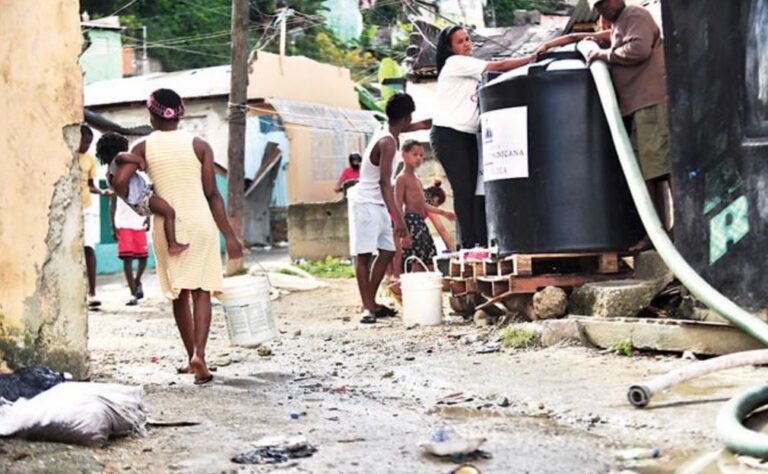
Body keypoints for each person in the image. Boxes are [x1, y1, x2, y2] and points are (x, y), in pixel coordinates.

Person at [131, 88, 243, 385]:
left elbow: (123, 180)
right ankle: (200, 355)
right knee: (202, 290)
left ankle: (190, 356)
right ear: (180, 114)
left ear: (152, 115)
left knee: (179, 293)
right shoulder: (200, 145)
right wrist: (229, 236)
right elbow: (212, 195)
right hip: (201, 223)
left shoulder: (141, 146)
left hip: (167, 225)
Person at [540, 0, 672, 251]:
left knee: (660, 170)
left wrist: (603, 55)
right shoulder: (619, 24)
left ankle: (673, 233)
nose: (602, 11)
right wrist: (550, 45)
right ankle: (657, 233)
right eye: (598, 8)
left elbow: (640, 49)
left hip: (650, 102)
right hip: (638, 107)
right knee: (646, 174)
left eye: (604, 5)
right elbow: (584, 37)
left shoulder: (635, 14)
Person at [431, 26, 535, 250]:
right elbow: (496, 66)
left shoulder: (468, 67)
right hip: (449, 134)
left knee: (470, 192)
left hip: (467, 134)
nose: (467, 44)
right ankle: (468, 245)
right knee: (464, 191)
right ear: (450, 48)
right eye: (460, 41)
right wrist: (532, 58)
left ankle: (473, 242)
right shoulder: (455, 63)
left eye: (467, 39)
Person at [349, 93, 431, 324]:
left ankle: (372, 301)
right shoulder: (387, 142)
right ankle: (367, 308)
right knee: (364, 256)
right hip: (366, 202)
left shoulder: (392, 129)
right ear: (406, 117)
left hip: (378, 202)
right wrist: (399, 219)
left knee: (387, 252)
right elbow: (385, 184)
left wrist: (434, 122)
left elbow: (417, 125)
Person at [96, 132, 189, 257]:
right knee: (169, 212)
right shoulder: (117, 161)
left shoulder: (110, 172)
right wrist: (139, 160)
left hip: (140, 202)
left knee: (166, 206)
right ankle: (173, 245)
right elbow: (122, 156)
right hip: (143, 199)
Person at [395, 140, 455, 273]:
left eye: (421, 155)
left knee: (428, 259)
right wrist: (403, 232)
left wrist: (444, 212)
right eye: (414, 154)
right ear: (404, 155)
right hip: (409, 222)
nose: (419, 158)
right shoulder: (402, 178)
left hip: (420, 223)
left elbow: (423, 205)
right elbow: (398, 206)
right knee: (415, 260)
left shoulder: (417, 179)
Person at [79, 125, 111, 308]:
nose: (86, 146)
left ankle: (92, 293)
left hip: (86, 208)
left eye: (89, 143)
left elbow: (90, 185)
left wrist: (101, 191)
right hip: (70, 210)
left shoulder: (89, 159)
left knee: (88, 247)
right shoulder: (65, 155)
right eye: (84, 142)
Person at [424, 180, 455, 252]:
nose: (435, 209)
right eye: (436, 206)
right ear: (435, 199)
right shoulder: (428, 203)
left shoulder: (423, 195)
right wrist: (452, 250)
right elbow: (441, 230)